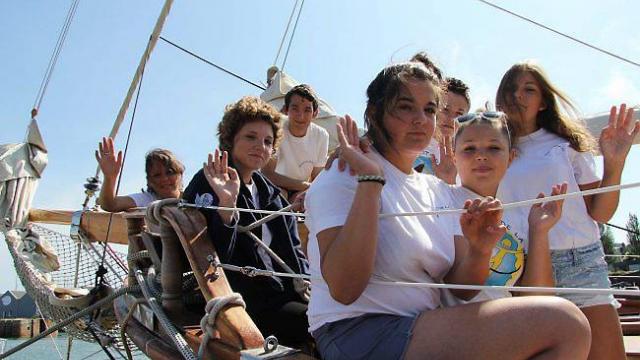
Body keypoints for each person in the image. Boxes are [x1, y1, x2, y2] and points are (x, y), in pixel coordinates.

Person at [304, 61, 591, 359]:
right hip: (356, 333)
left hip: (419, 327)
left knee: (566, 326)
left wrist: (480, 250)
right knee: (565, 324)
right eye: (405, 107)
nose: (420, 119)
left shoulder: (434, 189)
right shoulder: (343, 173)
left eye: (429, 109)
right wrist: (371, 180)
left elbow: (461, 289)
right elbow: (344, 289)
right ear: (375, 113)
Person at [495, 61, 639, 360]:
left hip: (580, 261)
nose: (517, 95)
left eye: (528, 89)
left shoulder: (568, 144)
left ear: (544, 102)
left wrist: (614, 164)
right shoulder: (492, 147)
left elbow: (599, 213)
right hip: (522, 267)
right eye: (511, 88)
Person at [182, 96, 311, 348]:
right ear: (230, 140)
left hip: (283, 293)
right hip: (240, 303)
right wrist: (227, 204)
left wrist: (307, 284)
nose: (260, 147)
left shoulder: (269, 193)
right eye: (250, 137)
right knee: (323, 326)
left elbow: (293, 251)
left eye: (267, 141)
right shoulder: (209, 181)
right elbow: (210, 260)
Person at [446, 111, 566, 302]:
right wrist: (480, 249)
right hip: (460, 321)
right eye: (469, 148)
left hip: (504, 319)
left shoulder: (518, 215)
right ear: (454, 158)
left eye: (493, 148)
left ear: (511, 157)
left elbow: (538, 299)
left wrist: (539, 232)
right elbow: (462, 292)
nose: (481, 156)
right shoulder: (444, 200)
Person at [262, 84, 329, 203]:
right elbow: (268, 174)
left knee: (310, 200)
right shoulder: (276, 127)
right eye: (295, 108)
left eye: (307, 110)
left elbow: (317, 176)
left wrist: (305, 192)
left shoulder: (321, 136)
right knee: (279, 197)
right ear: (286, 110)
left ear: (315, 113)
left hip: (302, 190)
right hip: (274, 186)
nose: (300, 115)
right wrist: (305, 186)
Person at [95, 136, 184, 211]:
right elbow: (110, 205)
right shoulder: (146, 200)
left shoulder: (193, 197)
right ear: (150, 181)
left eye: (170, 172)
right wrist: (110, 177)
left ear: (180, 174)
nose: (164, 178)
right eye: (157, 175)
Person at [413, 77, 471, 183]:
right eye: (445, 109)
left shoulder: (466, 159)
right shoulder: (410, 144)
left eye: (459, 114)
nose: (451, 119)